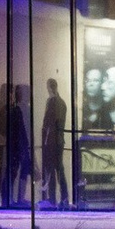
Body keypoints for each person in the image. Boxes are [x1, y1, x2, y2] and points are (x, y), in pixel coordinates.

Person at [3, 84, 33, 206]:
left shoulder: (17, 110)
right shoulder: (14, 110)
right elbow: (20, 130)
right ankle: (9, 199)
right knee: (13, 171)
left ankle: (12, 199)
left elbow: (22, 130)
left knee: (18, 170)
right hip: (17, 145)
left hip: (19, 145)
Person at [40, 78, 68, 206]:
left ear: (50, 87)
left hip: (51, 140)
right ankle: (64, 197)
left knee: (51, 169)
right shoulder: (62, 103)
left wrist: (45, 136)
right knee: (59, 169)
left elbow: (48, 122)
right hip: (59, 140)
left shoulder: (51, 102)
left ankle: (52, 199)